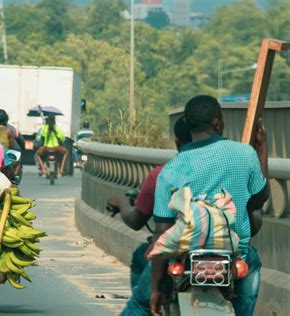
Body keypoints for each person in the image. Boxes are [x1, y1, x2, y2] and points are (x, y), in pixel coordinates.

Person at [149, 95, 269, 316]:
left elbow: (161, 231)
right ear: (217, 122)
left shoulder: (170, 170)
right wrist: (262, 152)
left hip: (186, 255)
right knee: (251, 263)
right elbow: (260, 199)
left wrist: (155, 288)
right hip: (233, 255)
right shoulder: (244, 154)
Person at [107, 117, 192, 293]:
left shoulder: (163, 175)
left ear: (177, 142)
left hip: (175, 251)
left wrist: (122, 201)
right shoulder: (227, 169)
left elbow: (137, 221)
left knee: (140, 259)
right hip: (220, 250)